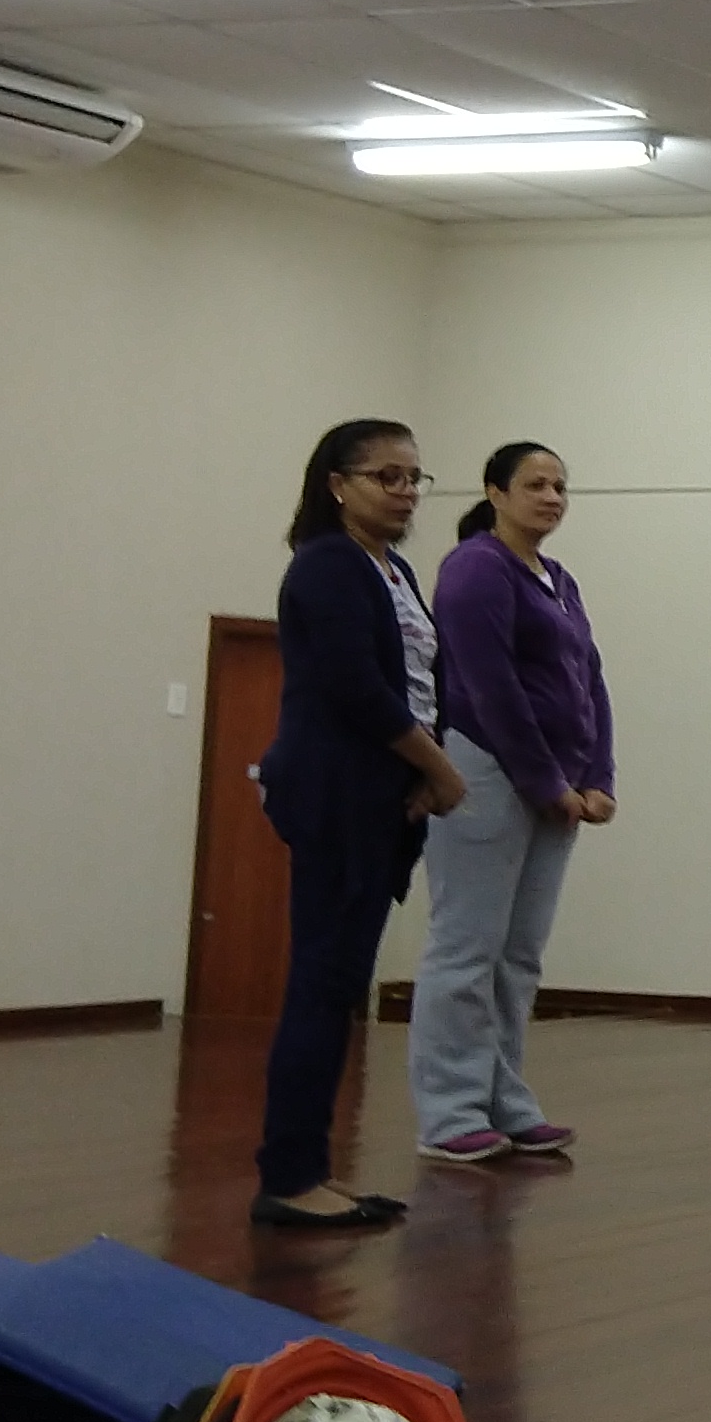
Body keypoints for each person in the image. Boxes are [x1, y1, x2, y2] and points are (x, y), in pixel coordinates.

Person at [252, 421, 465, 1231]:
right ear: (337, 484)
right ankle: (287, 1177)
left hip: (381, 790)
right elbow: (356, 688)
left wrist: (420, 771)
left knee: (340, 985)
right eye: (387, 476)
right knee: (322, 980)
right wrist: (440, 770)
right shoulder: (327, 565)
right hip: (336, 790)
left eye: (415, 478)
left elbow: (423, 678)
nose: (406, 492)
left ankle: (310, 1166)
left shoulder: (392, 568)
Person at [412, 442, 613, 1169]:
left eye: (561, 486)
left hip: (556, 784)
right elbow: (488, 685)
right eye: (535, 484)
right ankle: (449, 1112)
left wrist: (598, 775)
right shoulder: (475, 568)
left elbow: (588, 678)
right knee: (466, 949)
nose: (552, 497)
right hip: (488, 771)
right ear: (495, 492)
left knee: (518, 956)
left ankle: (506, 1102)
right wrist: (544, 781)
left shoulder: (558, 579)